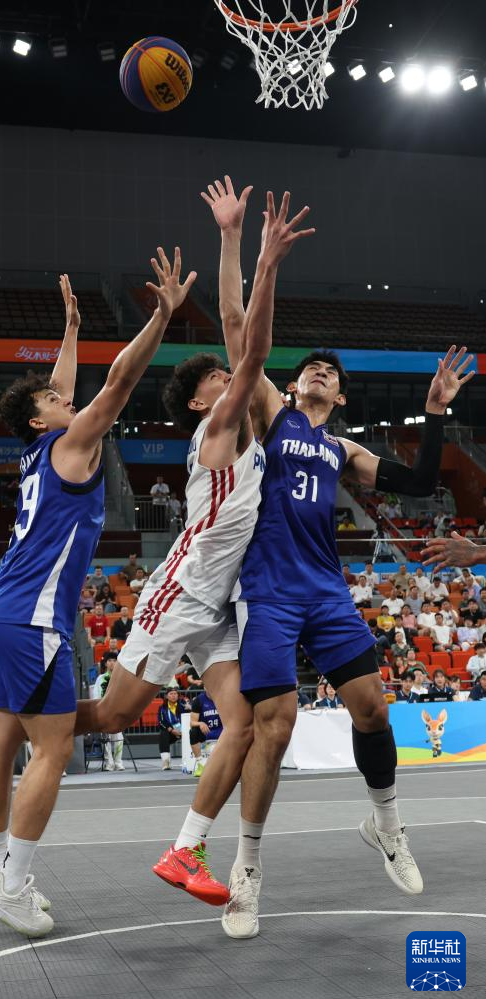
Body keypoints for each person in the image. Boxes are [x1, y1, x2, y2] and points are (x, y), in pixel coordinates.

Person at [166, 177, 472, 937]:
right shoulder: (271, 415)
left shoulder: (341, 449)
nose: (320, 371)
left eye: (330, 372)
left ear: (338, 397)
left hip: (325, 590)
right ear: (294, 383)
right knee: (273, 723)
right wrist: (237, 242)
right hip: (267, 590)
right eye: (311, 367)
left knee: (372, 707)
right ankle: (247, 869)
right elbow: (236, 325)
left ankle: (385, 823)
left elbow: (419, 483)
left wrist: (435, 412)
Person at [73, 187, 300, 909]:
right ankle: (9, 722)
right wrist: (247, 249)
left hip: (221, 606)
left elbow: (237, 332)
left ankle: (185, 848)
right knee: (112, 716)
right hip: (180, 593)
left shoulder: (251, 433)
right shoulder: (217, 430)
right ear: (203, 402)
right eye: (217, 379)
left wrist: (235, 243)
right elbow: (248, 340)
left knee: (245, 723)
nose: (231, 378)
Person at [0, 257, 196, 937]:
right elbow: (120, 380)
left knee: (2, 739)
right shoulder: (68, 443)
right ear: (42, 421)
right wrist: (161, 318)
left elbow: (60, 387)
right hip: (34, 617)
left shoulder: (38, 453)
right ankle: (12, 883)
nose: (65, 399)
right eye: (53, 401)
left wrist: (69, 330)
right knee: (54, 747)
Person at [190, 688, 223, 776]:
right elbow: (192, 722)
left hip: (222, 734)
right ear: (204, 687)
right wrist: (200, 723)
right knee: (193, 732)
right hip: (206, 733)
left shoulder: (223, 698)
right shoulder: (199, 700)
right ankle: (200, 763)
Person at [158, 688, 188, 770]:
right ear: (166, 696)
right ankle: (166, 762)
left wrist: (190, 707)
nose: (173, 695)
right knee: (163, 734)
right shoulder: (162, 708)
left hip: (185, 730)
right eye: (171, 694)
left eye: (175, 693)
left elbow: (192, 715)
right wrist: (172, 730)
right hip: (172, 732)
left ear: (178, 695)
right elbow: (161, 722)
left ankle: (191, 760)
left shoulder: (183, 704)